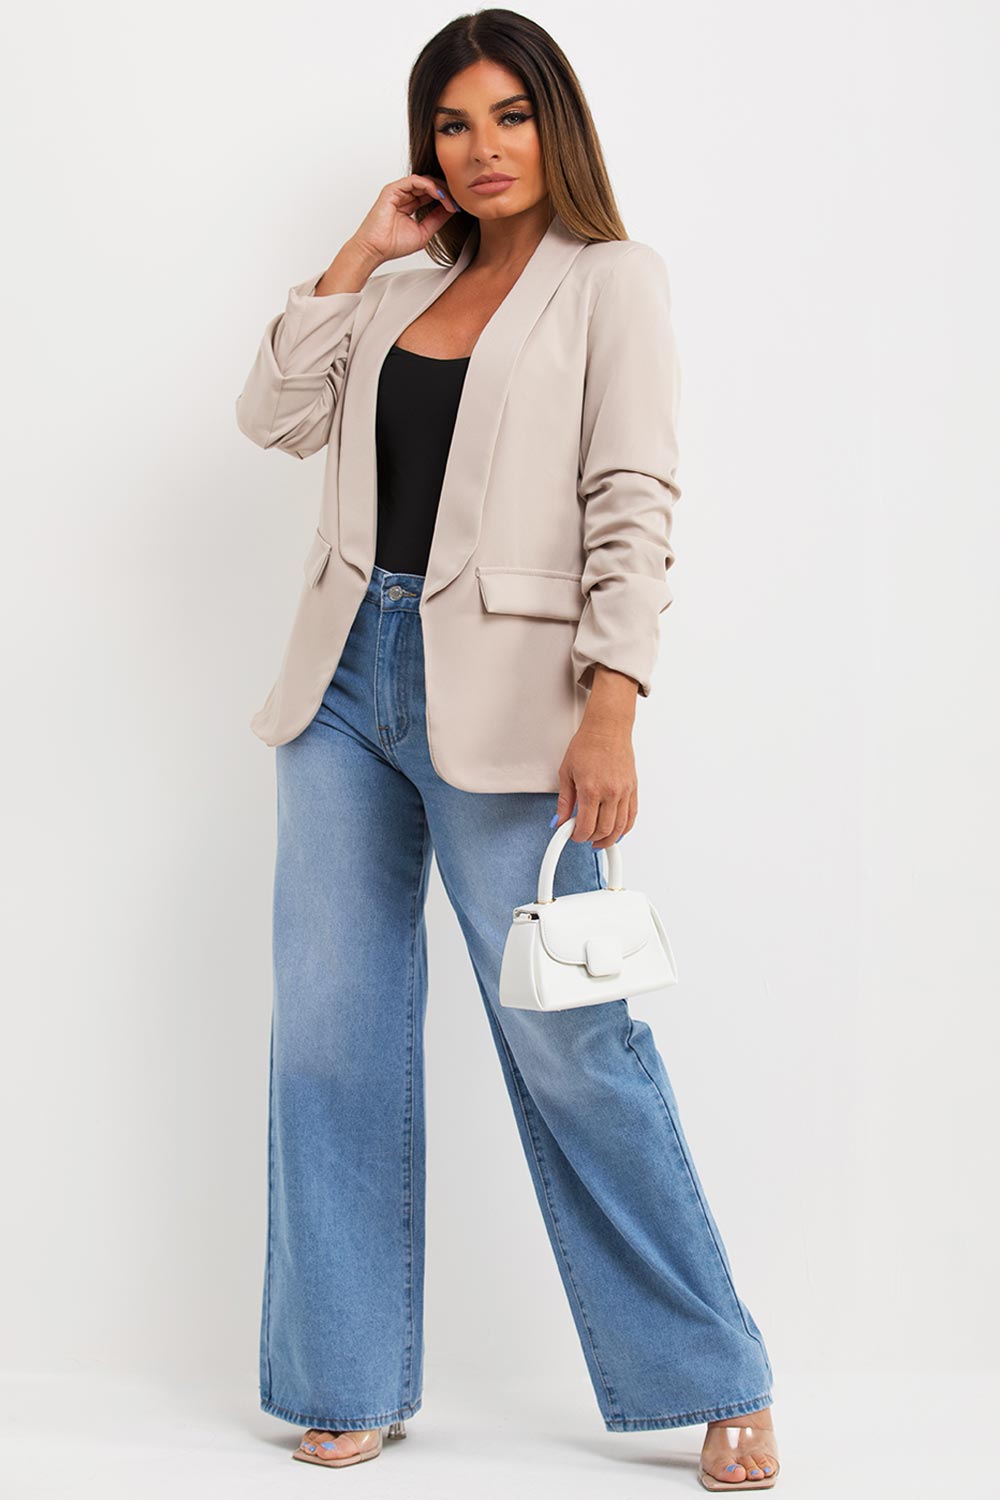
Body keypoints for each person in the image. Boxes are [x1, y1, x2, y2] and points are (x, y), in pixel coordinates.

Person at [235, 9, 780, 1490]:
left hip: (520, 702)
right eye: (454, 124)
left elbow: (634, 497)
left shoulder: (613, 282)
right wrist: (359, 254)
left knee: (573, 1040)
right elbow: (270, 416)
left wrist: (613, 703)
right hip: (343, 688)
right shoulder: (397, 290)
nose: (483, 149)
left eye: (510, 116)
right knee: (329, 1037)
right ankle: (347, 1374)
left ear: (558, 123)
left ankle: (715, 1371)